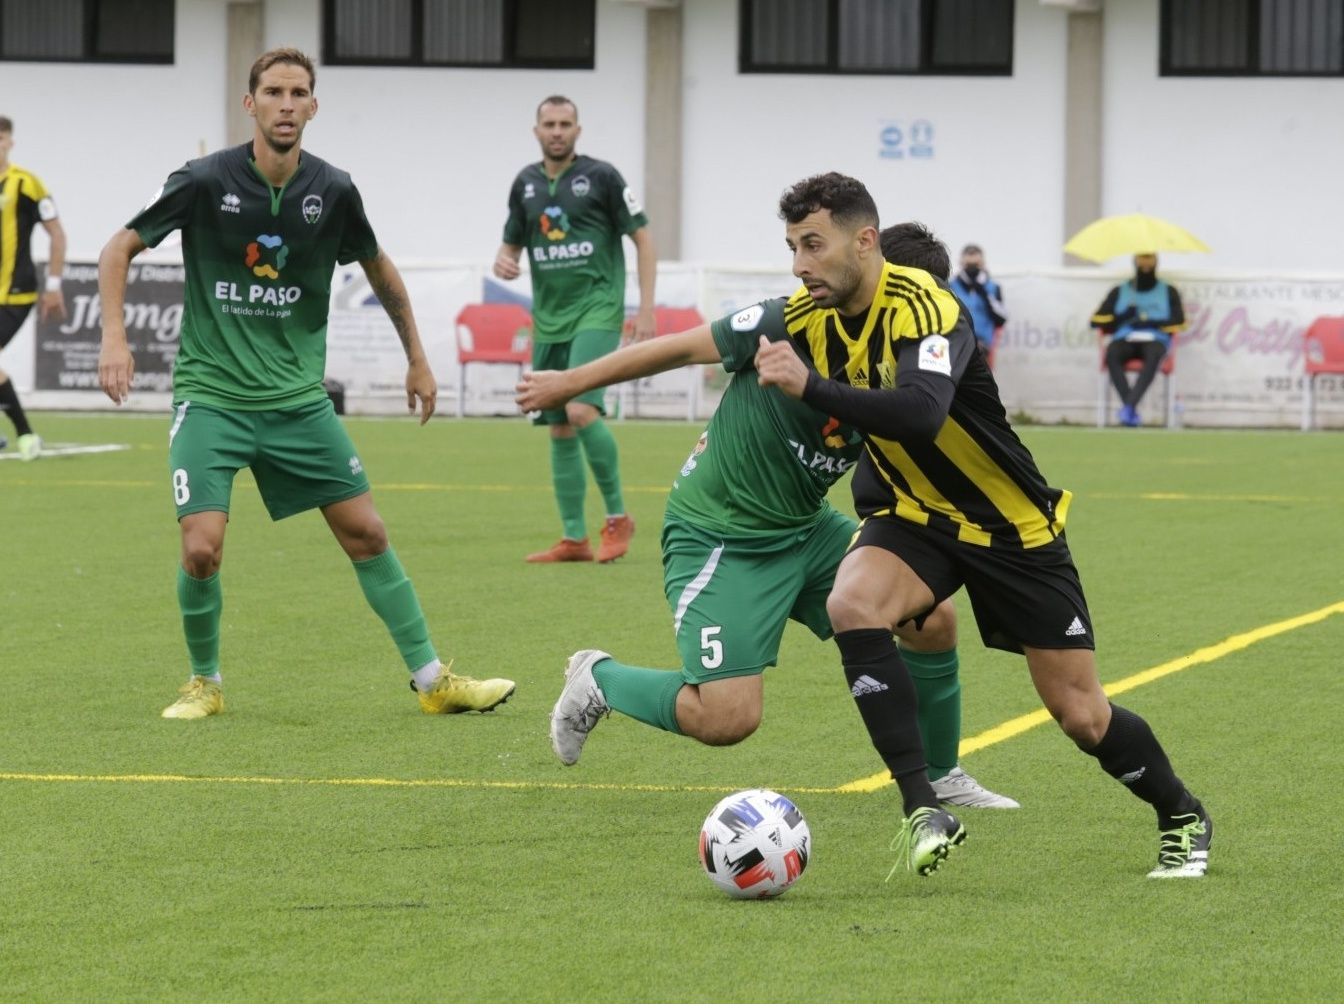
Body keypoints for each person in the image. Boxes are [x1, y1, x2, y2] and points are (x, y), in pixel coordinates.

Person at [753, 176, 1211, 880]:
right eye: (793, 248)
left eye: (811, 245)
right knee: (852, 604)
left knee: (1081, 715)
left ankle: (1180, 813)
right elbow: (710, 340)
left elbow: (918, 412)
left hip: (1011, 530)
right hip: (915, 519)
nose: (800, 264)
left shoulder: (931, 311)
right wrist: (577, 379)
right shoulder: (812, 313)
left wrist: (808, 387)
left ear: (864, 242)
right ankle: (922, 805)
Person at [517, 239, 1020, 819]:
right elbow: (680, 349)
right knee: (727, 718)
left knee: (932, 620)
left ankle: (941, 774)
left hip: (807, 530)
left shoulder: (912, 361)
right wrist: (571, 383)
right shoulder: (788, 320)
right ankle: (600, 679)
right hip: (720, 536)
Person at [96, 48, 514, 720]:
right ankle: (205, 683)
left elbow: (378, 267)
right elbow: (118, 246)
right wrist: (114, 338)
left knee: (369, 535)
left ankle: (433, 680)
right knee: (201, 549)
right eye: (273, 92)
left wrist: (417, 357)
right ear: (250, 103)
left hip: (296, 403)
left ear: (313, 106)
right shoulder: (203, 179)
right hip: (213, 397)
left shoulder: (335, 190)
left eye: (298, 93)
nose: (285, 104)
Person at [493, 95, 656, 564]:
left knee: (582, 409)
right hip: (548, 320)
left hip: (598, 310)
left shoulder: (602, 177)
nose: (558, 131)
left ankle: (618, 518)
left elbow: (643, 237)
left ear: (578, 131)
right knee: (559, 426)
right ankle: (573, 539)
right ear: (537, 130)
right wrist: (504, 260)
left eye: (566, 124)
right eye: (550, 124)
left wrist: (645, 308)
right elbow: (510, 247)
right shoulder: (524, 183)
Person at [0, 115, 67, 460]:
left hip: (15, 293)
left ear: (10, 142)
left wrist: (53, 285)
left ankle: (26, 435)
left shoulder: (26, 183)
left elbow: (56, 233)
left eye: (2, 138)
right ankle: (22, 434)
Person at [1091, 253, 1184, 427]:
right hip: (1126, 338)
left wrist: (1154, 323)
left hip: (1155, 339)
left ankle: (1128, 407)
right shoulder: (1120, 290)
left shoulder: (1169, 291)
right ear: (1135, 262)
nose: (1146, 263)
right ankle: (1130, 408)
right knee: (1112, 352)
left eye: (1150, 258)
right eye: (1142, 258)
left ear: (1156, 262)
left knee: (1154, 354)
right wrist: (1121, 317)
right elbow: (1096, 320)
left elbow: (1180, 322)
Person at [948, 243, 1005, 362]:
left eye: (976, 264)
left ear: (983, 263)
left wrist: (983, 292)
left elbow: (1001, 318)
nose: (972, 268)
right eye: (969, 264)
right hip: (956, 342)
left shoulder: (993, 288)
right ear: (961, 263)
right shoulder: (951, 286)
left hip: (983, 344)